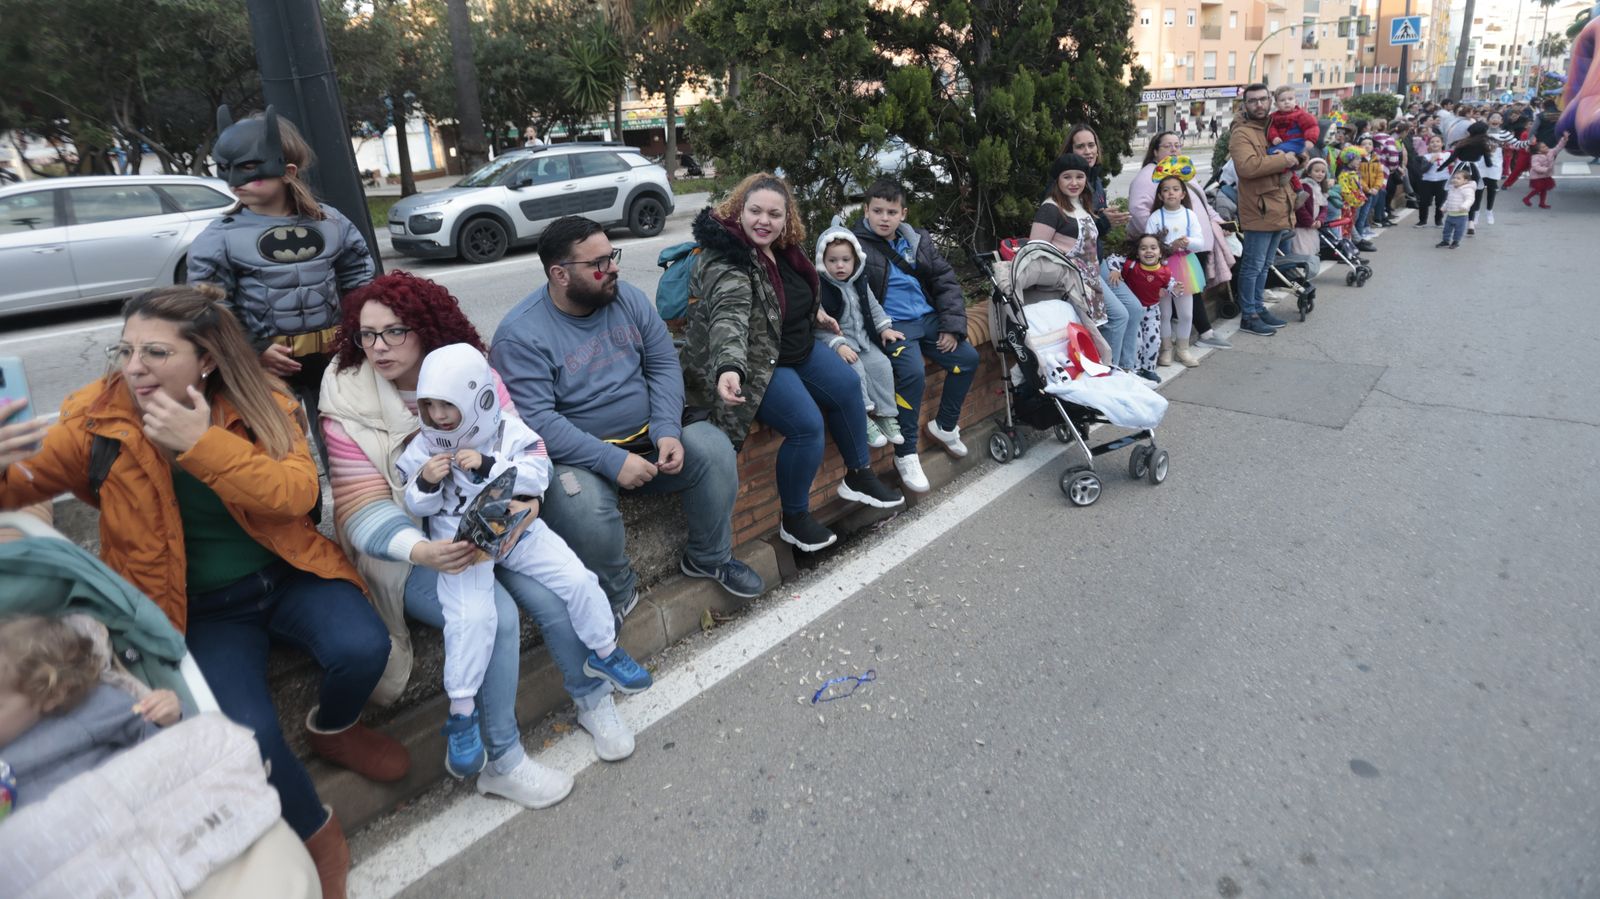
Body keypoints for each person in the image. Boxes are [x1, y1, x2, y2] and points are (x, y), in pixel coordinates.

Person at [0, 286, 404, 899]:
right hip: (196, 607)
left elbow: (296, 494)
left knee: (364, 646)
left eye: (156, 352)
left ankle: (335, 728)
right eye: (126, 349)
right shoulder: (98, 417)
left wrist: (201, 443)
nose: (133, 367)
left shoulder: (261, 398)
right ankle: (316, 832)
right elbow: (21, 485)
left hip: (285, 572)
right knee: (249, 734)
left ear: (207, 359)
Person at [323, 270, 617, 805]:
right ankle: (502, 759)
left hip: (493, 524)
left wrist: (527, 502)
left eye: (394, 331)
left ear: (426, 326)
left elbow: (521, 452)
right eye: (367, 335)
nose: (378, 347)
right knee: (496, 616)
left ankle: (593, 696)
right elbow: (360, 512)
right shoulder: (346, 400)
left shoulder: (469, 371)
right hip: (410, 549)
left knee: (555, 590)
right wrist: (425, 550)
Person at [396, 343, 652, 778]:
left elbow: (539, 472)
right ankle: (461, 716)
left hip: (516, 529)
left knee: (577, 579)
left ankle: (605, 653)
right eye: (430, 406)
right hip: (461, 547)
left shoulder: (506, 430)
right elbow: (414, 505)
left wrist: (488, 466)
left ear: (477, 397)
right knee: (472, 620)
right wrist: (424, 481)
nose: (438, 416)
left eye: (448, 405)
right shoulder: (423, 447)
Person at [490, 216, 767, 610]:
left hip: (651, 436)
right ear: (560, 274)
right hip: (580, 457)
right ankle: (618, 594)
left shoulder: (627, 298)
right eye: (599, 263)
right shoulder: (520, 335)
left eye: (612, 256)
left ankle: (709, 558)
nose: (614, 268)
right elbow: (538, 421)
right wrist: (610, 459)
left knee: (714, 449)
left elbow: (662, 364)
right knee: (581, 508)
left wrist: (668, 429)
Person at [684, 175, 905, 550]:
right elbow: (729, 317)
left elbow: (792, 291)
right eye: (755, 211)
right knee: (805, 424)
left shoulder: (785, 248)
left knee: (849, 385)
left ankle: (858, 473)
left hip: (797, 346)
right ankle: (795, 517)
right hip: (759, 361)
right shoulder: (727, 259)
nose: (764, 221)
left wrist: (816, 312)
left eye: (774, 213)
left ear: (787, 218)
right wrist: (729, 368)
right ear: (739, 211)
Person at [187, 107, 375, 452]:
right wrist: (253, 349)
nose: (234, 181)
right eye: (226, 170)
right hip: (266, 365)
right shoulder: (220, 237)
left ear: (287, 171)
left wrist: (356, 331)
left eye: (247, 169)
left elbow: (359, 278)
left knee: (346, 448)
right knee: (280, 452)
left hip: (330, 359)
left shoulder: (331, 222)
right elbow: (210, 305)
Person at [850, 179, 980, 493]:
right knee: (911, 373)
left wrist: (952, 325)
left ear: (903, 214)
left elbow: (945, 281)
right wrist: (877, 328)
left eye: (891, 211)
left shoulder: (917, 240)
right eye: (877, 210)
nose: (884, 217)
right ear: (866, 210)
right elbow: (852, 294)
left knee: (967, 359)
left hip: (930, 319)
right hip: (894, 326)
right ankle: (906, 452)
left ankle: (945, 425)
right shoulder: (855, 246)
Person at [1127, 131, 1233, 352]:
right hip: (1168, 253)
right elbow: (1139, 212)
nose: (1174, 149)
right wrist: (1159, 244)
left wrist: (1218, 222)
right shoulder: (1148, 176)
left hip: (1193, 247)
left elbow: (1203, 202)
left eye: (1177, 145)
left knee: (1188, 294)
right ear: (1155, 151)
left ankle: (1185, 338)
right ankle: (1200, 333)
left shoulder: (1184, 172)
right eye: (1167, 146)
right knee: (1178, 296)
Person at [1027, 154, 1128, 375]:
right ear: (1057, 181)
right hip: (1068, 289)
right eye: (1067, 177)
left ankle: (1108, 375)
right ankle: (1100, 379)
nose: (1074, 183)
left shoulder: (1082, 203)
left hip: (1090, 284)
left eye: (1079, 177)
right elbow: (1036, 253)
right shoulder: (1050, 209)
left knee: (1103, 330)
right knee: (1082, 341)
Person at [814, 221, 904, 448]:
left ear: (856, 260)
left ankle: (885, 414)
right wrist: (837, 344)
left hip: (864, 340)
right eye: (832, 261)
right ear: (822, 262)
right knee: (856, 372)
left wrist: (884, 328)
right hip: (842, 344)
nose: (840, 266)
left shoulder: (859, 283)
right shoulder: (820, 291)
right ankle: (861, 417)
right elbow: (818, 328)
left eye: (845, 260)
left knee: (882, 365)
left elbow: (873, 307)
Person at [1060, 125, 1143, 371]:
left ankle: (1127, 371)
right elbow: (1069, 232)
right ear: (1070, 150)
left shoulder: (1094, 180)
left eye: (1091, 145)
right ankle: (1110, 376)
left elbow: (1093, 227)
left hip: (1099, 261)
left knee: (1135, 309)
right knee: (1118, 317)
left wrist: (1105, 222)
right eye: (1080, 146)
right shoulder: (1066, 183)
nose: (1088, 151)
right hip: (1081, 267)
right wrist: (1104, 222)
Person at [1228, 83, 1299, 337]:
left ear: (1270, 100)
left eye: (1263, 99)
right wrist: (1284, 159)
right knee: (1253, 265)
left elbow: (1296, 148)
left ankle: (1258, 308)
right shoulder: (1241, 133)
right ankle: (1249, 315)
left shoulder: (1273, 126)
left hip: (1279, 205)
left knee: (1266, 264)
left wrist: (1296, 157)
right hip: (1258, 208)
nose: (1259, 104)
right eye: (1253, 101)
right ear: (1245, 105)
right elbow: (1247, 167)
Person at [1144, 175, 1205, 369]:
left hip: (1184, 266)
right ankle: (1166, 349)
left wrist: (1187, 242)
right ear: (1160, 196)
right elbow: (1149, 244)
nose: (1171, 192)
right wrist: (1170, 246)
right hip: (1160, 267)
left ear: (1183, 194)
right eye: (1166, 189)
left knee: (1186, 313)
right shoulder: (1155, 217)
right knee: (1164, 312)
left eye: (1175, 189)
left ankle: (1183, 348)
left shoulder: (1189, 215)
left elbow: (1200, 241)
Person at [1267, 86, 1321, 158]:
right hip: (1282, 143)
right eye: (1282, 100)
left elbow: (1311, 126)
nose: (1287, 102)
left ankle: (1291, 156)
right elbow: (1271, 128)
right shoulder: (1273, 117)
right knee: (1270, 151)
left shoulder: (1301, 115)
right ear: (1276, 104)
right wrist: (1274, 137)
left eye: (1290, 99)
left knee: (1273, 152)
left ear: (1296, 101)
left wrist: (1310, 140)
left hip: (1298, 142)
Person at [1521, 133, 1571, 208]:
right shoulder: (1535, 157)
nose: (1546, 147)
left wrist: (1564, 139)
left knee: (1544, 189)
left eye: (1545, 146)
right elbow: (1535, 167)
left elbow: (1558, 147)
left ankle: (1542, 203)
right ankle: (1526, 198)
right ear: (1538, 151)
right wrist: (1546, 169)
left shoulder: (1551, 152)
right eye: (1543, 147)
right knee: (1538, 189)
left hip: (1546, 175)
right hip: (1537, 176)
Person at [1413, 134, 1451, 226]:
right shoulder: (1426, 157)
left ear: (1442, 144)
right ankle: (1422, 220)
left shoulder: (1447, 154)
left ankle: (1438, 220)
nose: (1435, 144)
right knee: (1424, 202)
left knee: (1440, 202)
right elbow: (1423, 170)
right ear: (1428, 145)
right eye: (1432, 142)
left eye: (1437, 141)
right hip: (1427, 181)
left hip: (1443, 180)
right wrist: (1431, 161)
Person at [1438, 167, 1475, 249]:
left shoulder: (1467, 190)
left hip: (1461, 214)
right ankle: (1445, 241)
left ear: (1465, 181)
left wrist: (1465, 206)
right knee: (1446, 229)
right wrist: (1444, 207)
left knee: (1458, 230)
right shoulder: (1452, 188)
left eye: (1458, 178)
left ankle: (1456, 242)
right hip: (1450, 214)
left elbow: (1470, 199)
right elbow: (1449, 199)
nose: (1455, 179)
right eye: (1454, 177)